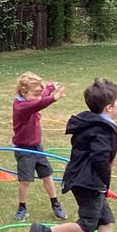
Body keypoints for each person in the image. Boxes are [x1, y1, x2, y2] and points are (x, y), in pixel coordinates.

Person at [27, 79, 117, 232]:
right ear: (109, 108)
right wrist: (105, 181)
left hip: (85, 178)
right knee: (87, 225)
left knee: (106, 220)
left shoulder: (91, 122)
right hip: (88, 182)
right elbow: (100, 158)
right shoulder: (102, 129)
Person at [11, 72, 68, 222]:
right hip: (23, 149)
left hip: (37, 147)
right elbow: (38, 103)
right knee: (25, 181)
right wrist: (54, 97)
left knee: (47, 175)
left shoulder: (31, 100)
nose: (38, 96)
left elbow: (39, 99)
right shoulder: (21, 107)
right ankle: (22, 207)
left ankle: (55, 203)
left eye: (39, 94)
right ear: (23, 92)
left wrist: (49, 89)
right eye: (35, 93)